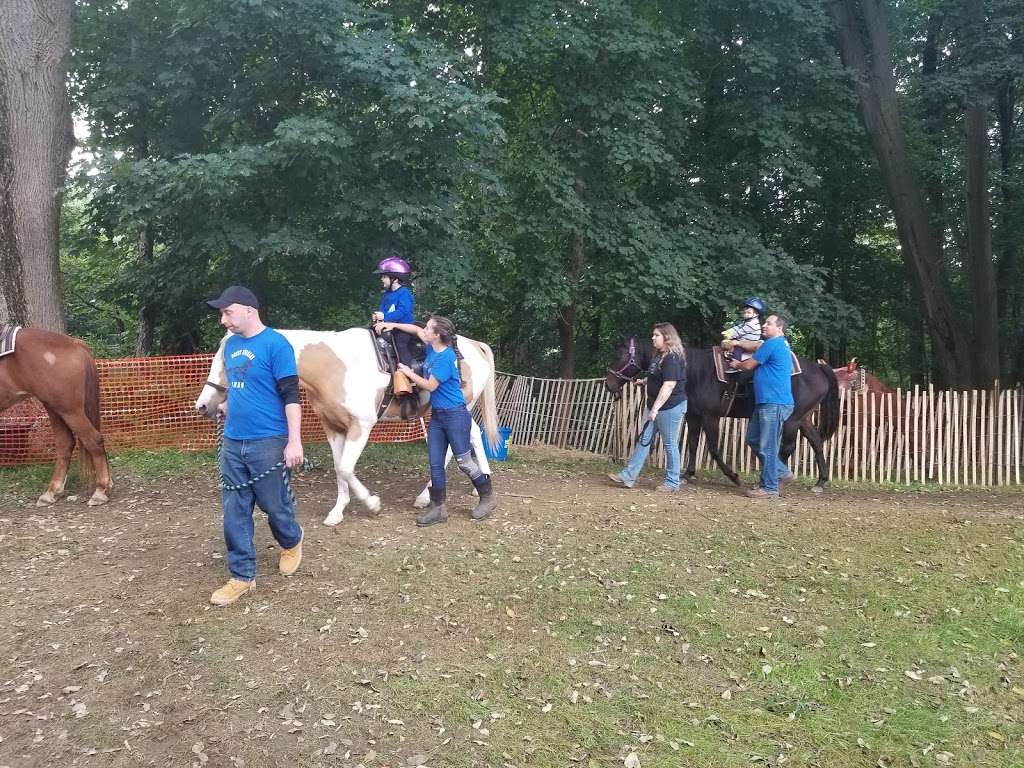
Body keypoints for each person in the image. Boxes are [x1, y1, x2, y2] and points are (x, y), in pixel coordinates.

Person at [206, 286, 305, 606]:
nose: (223, 320)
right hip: (233, 440)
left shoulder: (277, 345)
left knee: (274, 505)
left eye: (227, 312)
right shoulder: (231, 346)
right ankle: (241, 576)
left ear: (249, 310)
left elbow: (291, 396)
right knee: (234, 510)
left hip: (269, 440)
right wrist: (227, 406)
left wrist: (294, 442)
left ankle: (291, 540)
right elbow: (239, 386)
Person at [375, 315, 496, 526]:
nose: (425, 331)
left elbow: (430, 386)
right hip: (438, 416)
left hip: (455, 415)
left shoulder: (446, 358)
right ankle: (438, 508)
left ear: (437, 335)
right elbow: (415, 330)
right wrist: (393, 325)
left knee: (465, 462)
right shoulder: (432, 348)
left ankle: (487, 497)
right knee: (435, 464)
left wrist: (408, 373)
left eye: (429, 329)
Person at [607, 323, 688, 492]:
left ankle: (672, 482)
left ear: (667, 337)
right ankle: (628, 476)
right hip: (656, 407)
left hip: (669, 408)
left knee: (670, 444)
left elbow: (669, 385)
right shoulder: (659, 356)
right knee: (644, 441)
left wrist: (655, 409)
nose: (652, 338)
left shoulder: (672, 358)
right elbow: (658, 377)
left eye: (656, 335)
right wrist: (645, 381)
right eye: (653, 335)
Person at [726, 313, 794, 499]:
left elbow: (749, 365)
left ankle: (770, 488)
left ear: (779, 328)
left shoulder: (773, 343)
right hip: (766, 401)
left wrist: (736, 363)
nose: (764, 326)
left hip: (774, 402)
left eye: (769, 323)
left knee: (767, 446)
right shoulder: (777, 344)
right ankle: (781, 473)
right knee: (754, 440)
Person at [371, 256, 416, 368]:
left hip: (403, 327)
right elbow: (383, 310)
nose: (381, 279)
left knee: (401, 343)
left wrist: (385, 316)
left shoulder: (404, 293)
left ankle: (408, 372)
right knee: (369, 334)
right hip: (387, 325)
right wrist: (378, 317)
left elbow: (403, 311)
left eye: (384, 276)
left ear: (394, 279)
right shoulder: (386, 294)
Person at [722, 297, 765, 369]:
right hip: (744, 339)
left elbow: (740, 332)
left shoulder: (752, 324)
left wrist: (731, 335)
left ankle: (735, 365)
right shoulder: (748, 321)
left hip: (750, 342)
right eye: (745, 312)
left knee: (737, 349)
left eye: (749, 313)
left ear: (756, 314)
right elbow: (738, 327)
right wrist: (729, 331)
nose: (746, 314)